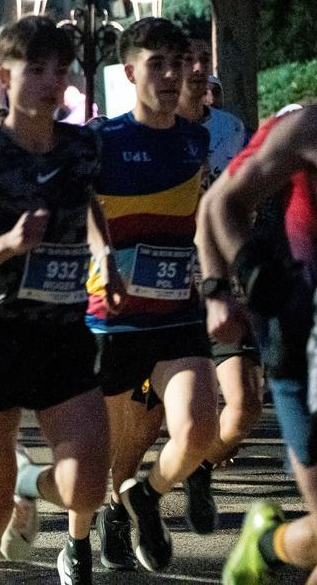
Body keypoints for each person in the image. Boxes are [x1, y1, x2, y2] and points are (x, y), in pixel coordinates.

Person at [0, 17, 124, 584]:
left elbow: (85, 197)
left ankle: (27, 481)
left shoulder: (82, 147)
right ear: (6, 77)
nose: (50, 82)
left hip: (64, 333)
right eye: (36, 70)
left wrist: (104, 254)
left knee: (89, 484)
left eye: (60, 71)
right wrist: (7, 244)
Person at [86, 17, 220, 574]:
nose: (171, 74)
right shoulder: (105, 138)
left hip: (177, 312)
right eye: (156, 63)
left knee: (200, 431)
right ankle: (116, 509)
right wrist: (100, 255)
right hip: (113, 316)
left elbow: (201, 212)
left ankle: (148, 496)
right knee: (121, 449)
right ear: (130, 71)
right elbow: (80, 199)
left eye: (178, 62)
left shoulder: (196, 137)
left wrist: (213, 280)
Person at [197, 105, 317, 583]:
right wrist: (230, 285)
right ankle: (266, 545)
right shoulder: (305, 129)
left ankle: (268, 545)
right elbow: (219, 204)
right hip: (305, 343)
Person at [176, 35, 260, 535]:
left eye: (199, 61)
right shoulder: (147, 134)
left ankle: (197, 468)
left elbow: (251, 194)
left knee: (245, 407)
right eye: (181, 61)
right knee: (165, 419)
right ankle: (135, 497)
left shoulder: (231, 128)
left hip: (227, 279)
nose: (192, 70)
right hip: (168, 286)